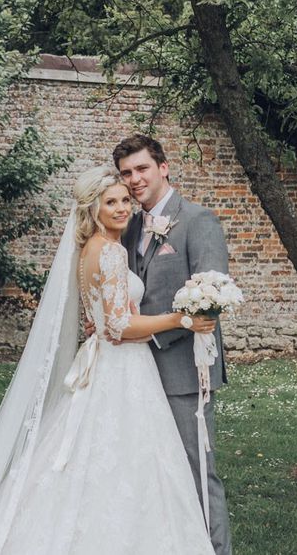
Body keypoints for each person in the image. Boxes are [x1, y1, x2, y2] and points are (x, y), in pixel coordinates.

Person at [0, 166, 214, 554]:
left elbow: (100, 321)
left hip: (105, 362)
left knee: (88, 456)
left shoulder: (90, 248)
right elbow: (118, 326)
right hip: (122, 367)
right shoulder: (109, 251)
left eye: (126, 200)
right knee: (129, 460)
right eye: (111, 202)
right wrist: (181, 319)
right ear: (93, 208)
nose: (122, 208)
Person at [113, 133, 233, 555]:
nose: (134, 179)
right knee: (151, 468)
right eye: (126, 173)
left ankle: (215, 550)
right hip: (134, 371)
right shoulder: (127, 227)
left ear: (163, 167)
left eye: (142, 168)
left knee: (197, 469)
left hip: (184, 370)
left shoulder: (198, 221)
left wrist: (147, 331)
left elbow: (209, 302)